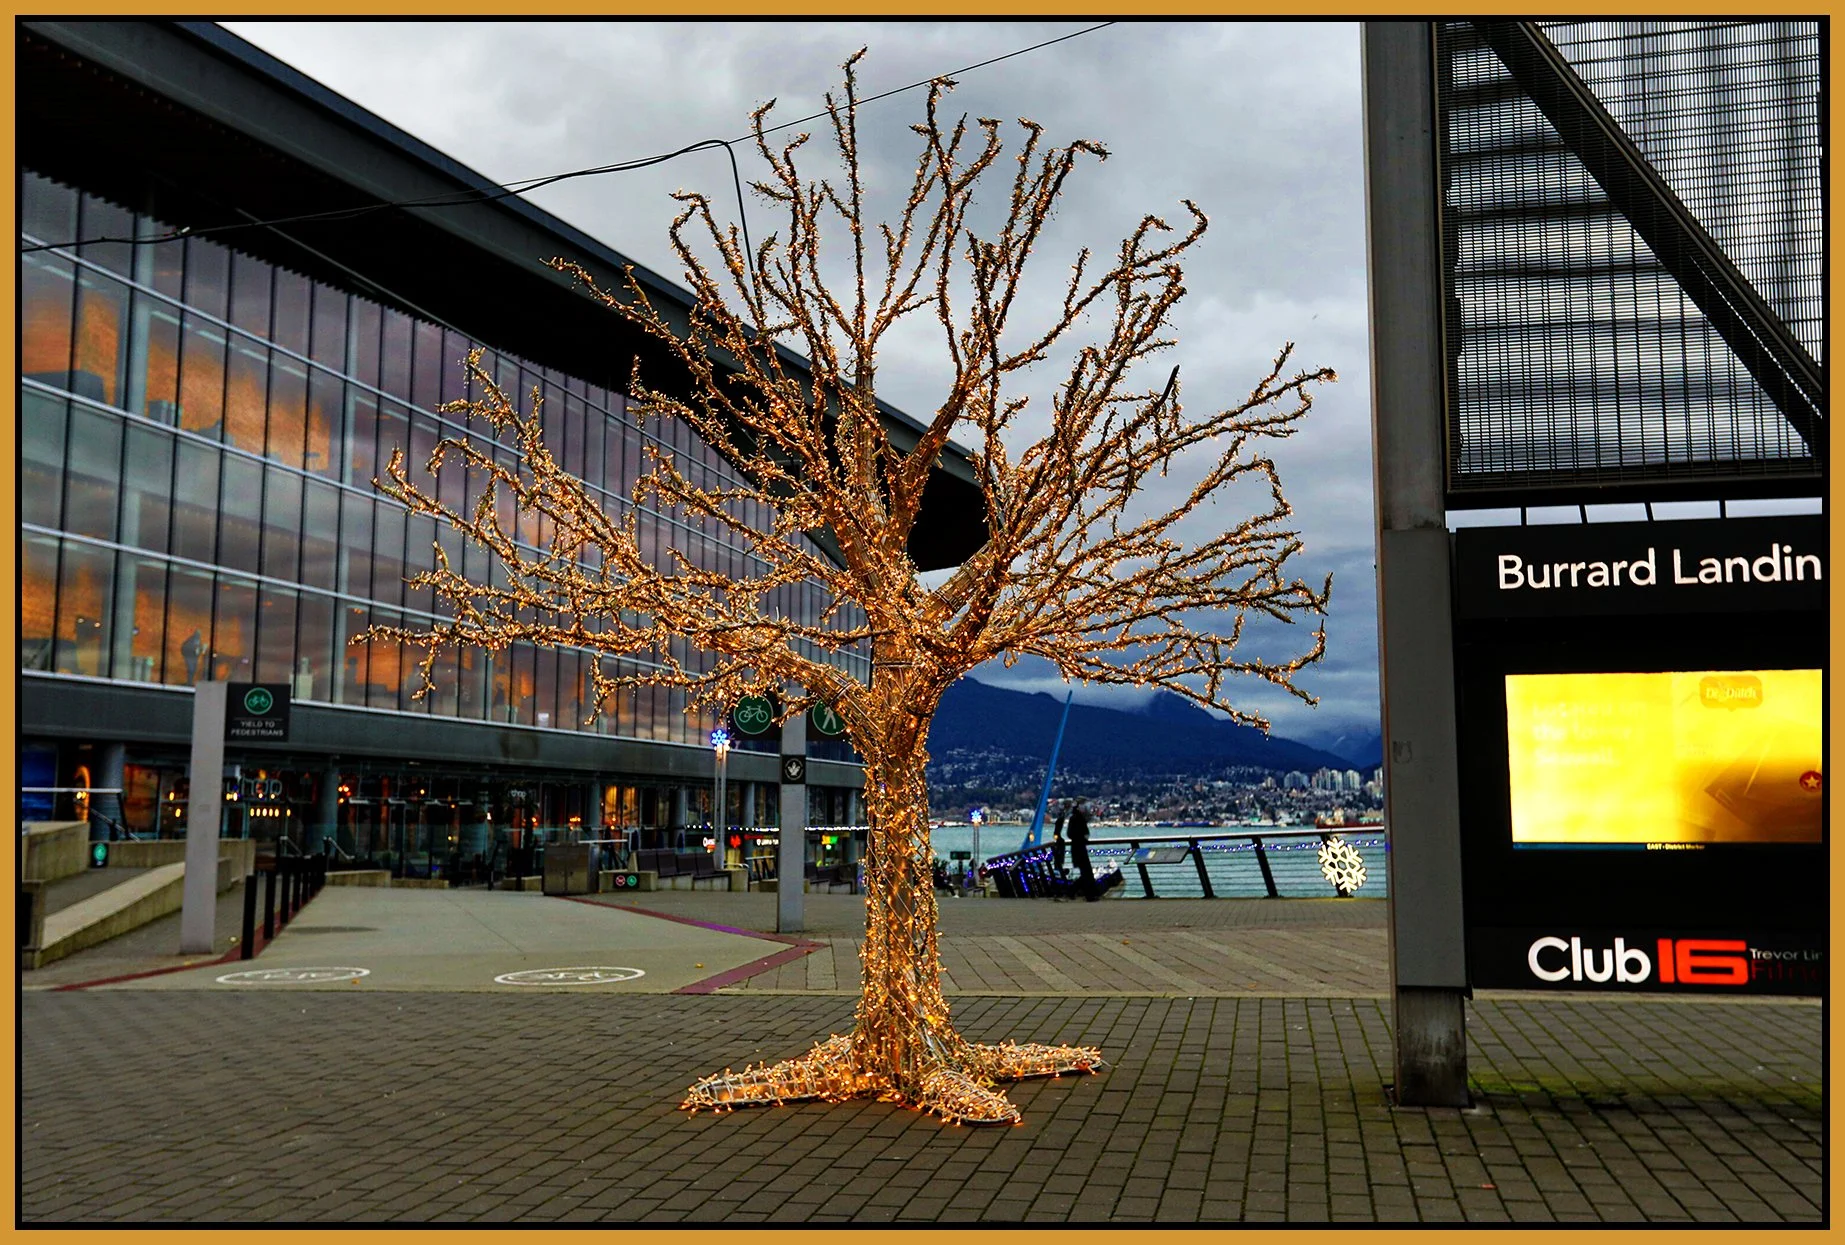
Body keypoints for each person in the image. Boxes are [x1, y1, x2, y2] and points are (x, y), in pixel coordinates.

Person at [1067, 797, 1097, 900]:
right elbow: (1072, 833)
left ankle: (1073, 890)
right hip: (1079, 848)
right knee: (1087, 873)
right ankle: (1088, 894)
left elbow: (1070, 834)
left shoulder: (1076, 817)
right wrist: (1082, 837)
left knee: (1086, 872)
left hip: (1077, 848)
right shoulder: (1077, 818)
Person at [1051, 801, 1068, 878]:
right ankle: (1058, 867)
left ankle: (1057, 868)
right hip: (1058, 836)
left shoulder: (1060, 820)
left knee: (1058, 855)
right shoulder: (1060, 820)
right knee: (1059, 855)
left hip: (1057, 836)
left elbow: (1056, 832)